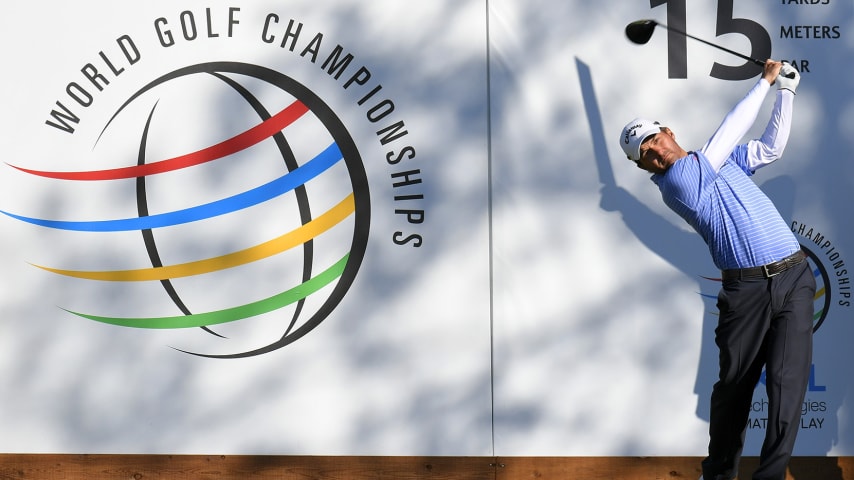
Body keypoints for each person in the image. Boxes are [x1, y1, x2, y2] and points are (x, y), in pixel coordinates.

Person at [618, 60, 813, 480]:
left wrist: (787, 93)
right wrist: (765, 81)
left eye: (653, 139)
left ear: (668, 131)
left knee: (788, 386)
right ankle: (720, 473)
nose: (653, 151)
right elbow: (728, 133)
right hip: (747, 294)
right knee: (735, 391)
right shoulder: (679, 183)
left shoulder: (717, 162)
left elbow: (769, 148)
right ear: (643, 168)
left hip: (796, 276)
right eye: (644, 155)